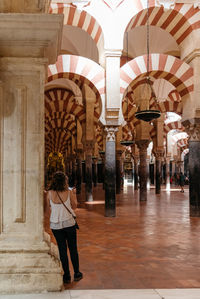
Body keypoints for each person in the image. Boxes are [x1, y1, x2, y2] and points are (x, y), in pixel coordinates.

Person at [45, 171, 83, 284]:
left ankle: (66, 276)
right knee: (73, 249)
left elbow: (48, 211)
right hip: (68, 223)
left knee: (62, 250)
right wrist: (74, 195)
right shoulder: (69, 192)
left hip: (55, 225)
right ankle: (76, 273)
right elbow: (75, 206)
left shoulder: (49, 193)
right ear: (65, 181)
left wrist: (56, 212)